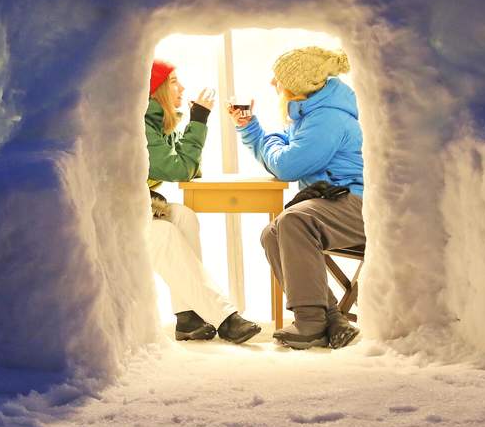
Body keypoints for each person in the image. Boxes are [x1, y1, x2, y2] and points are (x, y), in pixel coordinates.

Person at [227, 47, 364, 350]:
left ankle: (310, 322)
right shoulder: (311, 116)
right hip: (336, 200)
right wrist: (251, 128)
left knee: (295, 221)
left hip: (359, 204)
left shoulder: (327, 119)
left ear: (296, 85)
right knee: (271, 234)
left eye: (277, 79)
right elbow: (286, 151)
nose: (272, 84)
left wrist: (273, 140)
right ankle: (329, 317)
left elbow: (287, 165)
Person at [145, 59, 261, 344]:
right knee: (163, 233)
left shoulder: (157, 122)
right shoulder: (142, 125)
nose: (182, 87)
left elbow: (187, 166)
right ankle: (226, 317)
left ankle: (187, 318)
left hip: (141, 206)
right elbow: (179, 168)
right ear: (154, 90)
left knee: (183, 215)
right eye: (173, 81)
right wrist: (198, 120)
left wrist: (193, 125)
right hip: (113, 218)